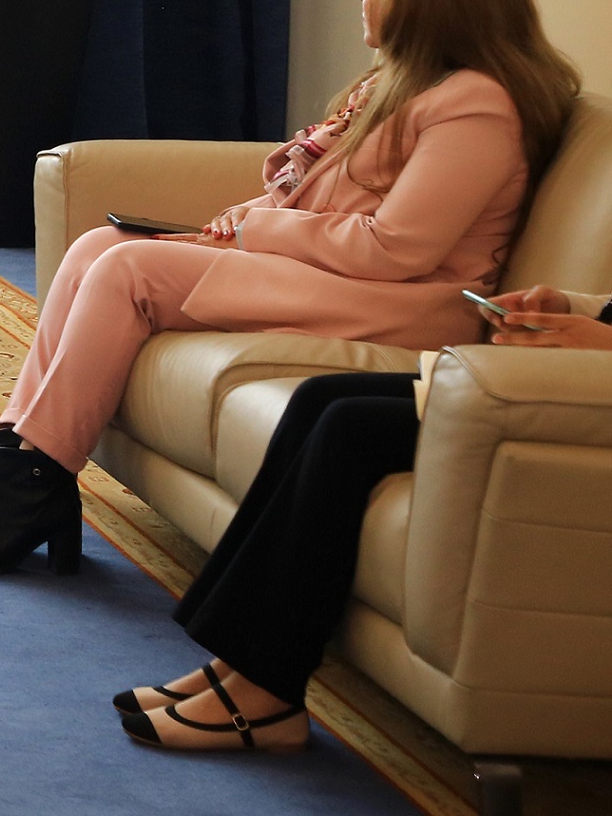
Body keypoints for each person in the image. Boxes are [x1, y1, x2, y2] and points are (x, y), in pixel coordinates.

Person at [0, 0, 583, 577]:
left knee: (130, 270)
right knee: (98, 245)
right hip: (343, 276)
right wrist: (245, 214)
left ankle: (32, 492)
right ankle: (26, 474)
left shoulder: (476, 106)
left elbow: (396, 249)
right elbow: (325, 199)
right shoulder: (399, 85)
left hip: (405, 302)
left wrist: (256, 230)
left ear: (427, 3)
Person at [115, 283, 610, 751]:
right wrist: (574, 307)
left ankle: (268, 694)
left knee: (349, 429)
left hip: (588, 393)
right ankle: (238, 664)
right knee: (317, 398)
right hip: (576, 374)